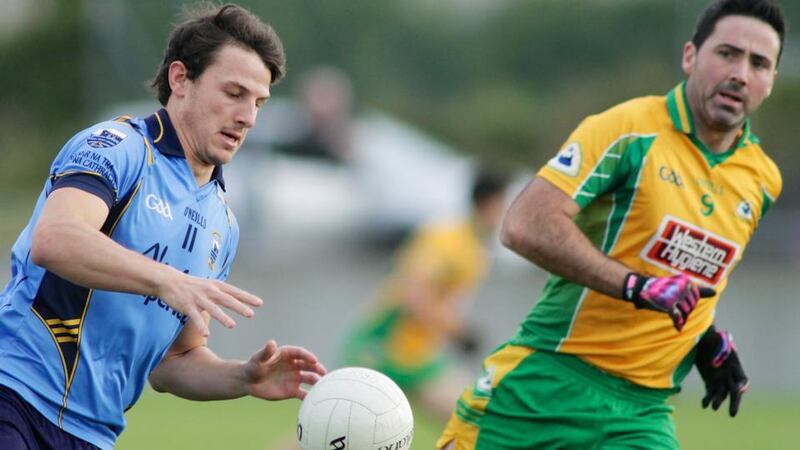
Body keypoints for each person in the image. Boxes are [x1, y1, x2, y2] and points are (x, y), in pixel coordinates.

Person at [437, 0, 785, 449]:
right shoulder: (629, 129)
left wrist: (704, 341)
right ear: (690, 56)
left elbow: (690, 275)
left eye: (759, 63)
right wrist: (633, 286)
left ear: (771, 80)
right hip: (543, 388)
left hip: (641, 415)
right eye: (727, 54)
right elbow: (524, 223)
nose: (740, 73)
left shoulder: (762, 180)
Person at [0, 4, 326, 450]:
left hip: (92, 436)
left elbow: (174, 360)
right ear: (180, 79)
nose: (248, 116)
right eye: (234, 93)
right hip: (14, 396)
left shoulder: (222, 224)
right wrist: (166, 279)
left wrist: (244, 378)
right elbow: (55, 238)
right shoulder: (118, 148)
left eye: (258, 102)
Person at [343, 169, 509, 420]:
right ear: (488, 203)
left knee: (473, 420)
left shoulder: (476, 250)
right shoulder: (447, 239)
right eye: (505, 205)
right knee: (335, 433)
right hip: (384, 347)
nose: (507, 214)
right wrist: (459, 332)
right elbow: (414, 294)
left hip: (416, 356)